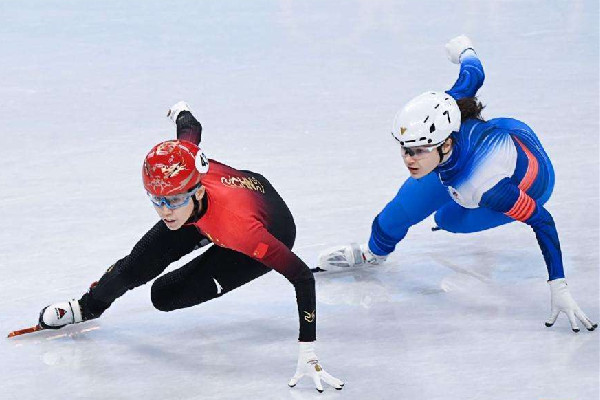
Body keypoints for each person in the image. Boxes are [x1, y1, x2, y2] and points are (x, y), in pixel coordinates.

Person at [36, 102, 344, 392]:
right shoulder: (182, 176)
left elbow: (302, 276)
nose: (165, 211)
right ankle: (86, 307)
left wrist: (308, 349)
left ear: (195, 191)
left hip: (263, 228)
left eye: (173, 201)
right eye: (157, 201)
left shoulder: (243, 231)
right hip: (208, 211)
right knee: (136, 265)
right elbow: (190, 129)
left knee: (165, 294)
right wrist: (180, 110)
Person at [319, 35, 597, 333]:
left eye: (419, 150)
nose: (409, 159)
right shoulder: (447, 108)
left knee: (449, 219)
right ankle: (373, 254)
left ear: (446, 145)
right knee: (397, 212)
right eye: (405, 148)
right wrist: (464, 49)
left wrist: (559, 285)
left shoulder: (485, 187)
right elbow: (474, 73)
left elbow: (543, 221)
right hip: (475, 154)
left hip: (531, 183)